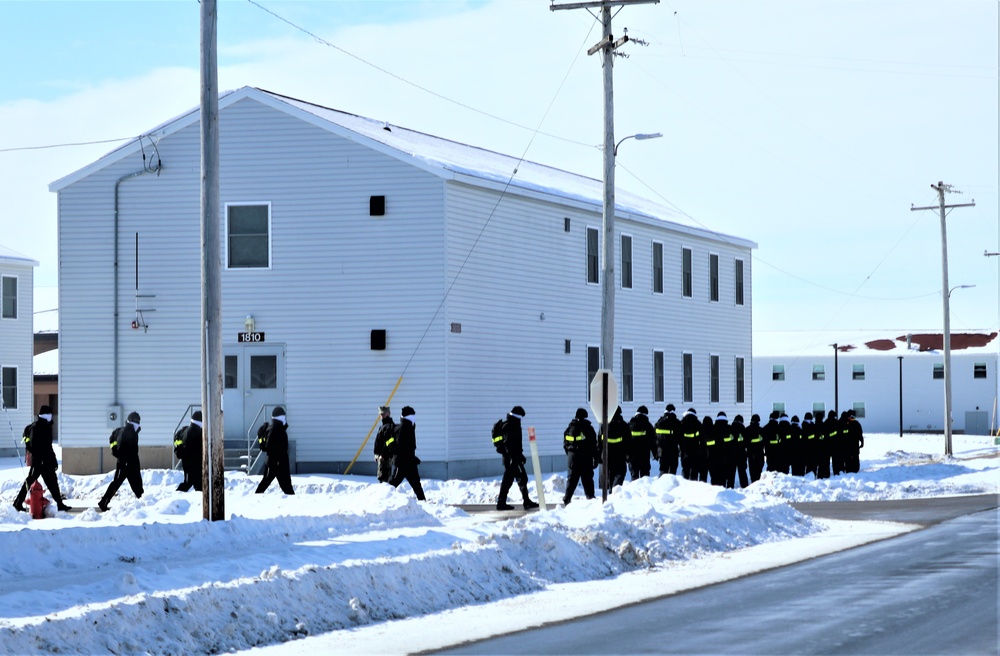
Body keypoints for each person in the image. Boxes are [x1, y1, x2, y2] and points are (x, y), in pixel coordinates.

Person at [13, 405, 71, 512]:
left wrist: (53, 460)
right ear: (45, 415)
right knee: (30, 481)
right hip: (39, 461)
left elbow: (48, 446)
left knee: (52, 482)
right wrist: (41, 458)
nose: (51, 416)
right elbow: (35, 446)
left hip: (45, 461)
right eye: (49, 414)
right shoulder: (38, 427)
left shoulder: (46, 426)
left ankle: (60, 504)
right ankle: (17, 503)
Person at [99, 411, 144, 511]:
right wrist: (120, 455)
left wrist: (115, 451)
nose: (138, 424)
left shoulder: (123, 430)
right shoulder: (128, 431)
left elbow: (112, 438)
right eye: (137, 422)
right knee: (134, 483)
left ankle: (103, 502)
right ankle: (103, 502)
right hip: (127, 463)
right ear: (133, 422)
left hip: (127, 462)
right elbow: (122, 446)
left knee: (126, 483)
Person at [495, 406, 538, 510]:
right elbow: (509, 444)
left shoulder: (512, 424)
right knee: (518, 479)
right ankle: (522, 502)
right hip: (512, 459)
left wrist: (519, 456)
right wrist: (516, 457)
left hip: (512, 458)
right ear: (518, 416)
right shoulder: (510, 425)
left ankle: (504, 502)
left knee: (513, 480)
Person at [255, 406, 295, 495]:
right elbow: (268, 447)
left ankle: (256, 497)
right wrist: (277, 461)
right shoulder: (275, 430)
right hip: (277, 463)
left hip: (277, 463)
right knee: (286, 487)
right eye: (283, 416)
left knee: (266, 483)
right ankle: (255, 499)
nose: (285, 418)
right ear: (279, 418)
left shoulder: (278, 429)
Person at [388, 406, 425, 500]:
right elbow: (399, 447)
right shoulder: (401, 429)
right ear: (409, 417)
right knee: (392, 485)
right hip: (401, 463)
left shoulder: (409, 428)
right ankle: (383, 502)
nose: (415, 417)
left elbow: (408, 447)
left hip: (409, 463)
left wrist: (412, 458)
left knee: (416, 484)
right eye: (413, 415)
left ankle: (423, 502)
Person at [562, 408, 597, 504]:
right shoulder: (588, 428)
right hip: (585, 458)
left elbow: (565, 444)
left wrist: (570, 454)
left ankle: (567, 497)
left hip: (572, 457)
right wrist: (595, 458)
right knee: (587, 479)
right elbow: (593, 445)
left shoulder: (569, 428)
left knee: (572, 478)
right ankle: (590, 498)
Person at [598, 406, 630, 494]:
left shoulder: (604, 425)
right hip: (619, 456)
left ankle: (610, 493)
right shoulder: (624, 426)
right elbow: (628, 442)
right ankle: (614, 493)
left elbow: (599, 442)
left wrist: (599, 456)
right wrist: (628, 455)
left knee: (610, 476)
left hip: (606, 456)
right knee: (619, 474)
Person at [175, 410, 203, 492]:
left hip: (187, 463)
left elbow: (178, 444)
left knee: (189, 483)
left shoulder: (183, 431)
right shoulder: (196, 432)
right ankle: (177, 499)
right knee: (193, 484)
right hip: (194, 463)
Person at [627, 405, 657, 480]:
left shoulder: (629, 425)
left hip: (632, 456)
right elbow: (652, 441)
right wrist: (655, 453)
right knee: (645, 478)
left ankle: (634, 491)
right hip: (644, 456)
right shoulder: (648, 426)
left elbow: (625, 440)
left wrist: (626, 454)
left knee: (634, 476)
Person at [654, 404, 681, 476]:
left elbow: (654, 436)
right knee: (672, 470)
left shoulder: (659, 422)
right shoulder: (676, 422)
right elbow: (680, 437)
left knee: (663, 469)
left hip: (662, 450)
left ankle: (662, 485)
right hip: (673, 450)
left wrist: (656, 451)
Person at [373, 406, 396, 484]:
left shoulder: (390, 426)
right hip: (381, 457)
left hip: (385, 457)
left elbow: (390, 441)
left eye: (384, 414)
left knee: (384, 479)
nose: (382, 416)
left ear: (389, 414)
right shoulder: (383, 426)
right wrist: (376, 454)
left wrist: (383, 454)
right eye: (381, 414)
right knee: (381, 478)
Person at [679, 408, 702, 481]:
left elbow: (678, 437)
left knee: (685, 468)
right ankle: (693, 485)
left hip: (684, 450)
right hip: (695, 451)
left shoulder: (682, 423)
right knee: (694, 469)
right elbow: (702, 439)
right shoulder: (698, 424)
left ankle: (685, 483)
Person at [744, 414, 766, 483]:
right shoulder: (761, 430)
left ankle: (754, 482)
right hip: (759, 453)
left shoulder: (747, 430)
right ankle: (758, 483)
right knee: (759, 470)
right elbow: (764, 442)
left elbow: (745, 443)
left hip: (751, 454)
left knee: (752, 471)